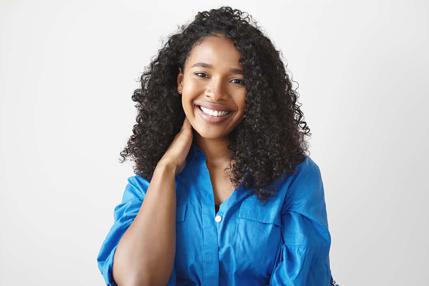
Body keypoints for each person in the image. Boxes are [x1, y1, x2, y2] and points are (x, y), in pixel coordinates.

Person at [97, 6, 338, 286]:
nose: (216, 93)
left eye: (237, 80)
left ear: (256, 93)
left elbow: (302, 280)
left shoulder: (296, 178)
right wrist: (166, 169)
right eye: (202, 74)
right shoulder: (149, 180)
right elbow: (138, 281)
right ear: (180, 81)